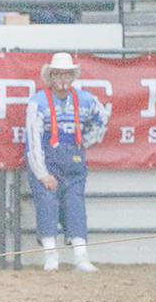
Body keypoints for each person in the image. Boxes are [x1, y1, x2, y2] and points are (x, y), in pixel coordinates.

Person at [25, 53, 110, 272]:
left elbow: (102, 118)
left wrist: (86, 141)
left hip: (74, 160)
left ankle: (81, 256)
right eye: (58, 74)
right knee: (46, 203)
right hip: (47, 161)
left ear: (73, 76)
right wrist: (41, 172)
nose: (63, 78)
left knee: (76, 206)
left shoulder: (86, 99)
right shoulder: (38, 102)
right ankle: (50, 255)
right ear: (50, 76)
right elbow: (33, 140)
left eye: (67, 74)